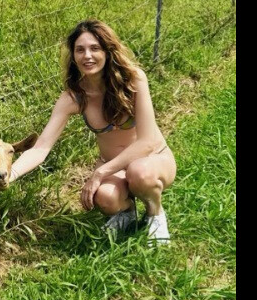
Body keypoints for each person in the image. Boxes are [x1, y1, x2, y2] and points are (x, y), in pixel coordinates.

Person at [9, 19, 176, 245]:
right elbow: (41, 148)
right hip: (113, 167)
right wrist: (12, 174)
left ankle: (155, 214)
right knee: (105, 199)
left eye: (94, 48)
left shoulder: (134, 80)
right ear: (73, 56)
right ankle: (126, 212)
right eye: (80, 50)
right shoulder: (74, 97)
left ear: (107, 51)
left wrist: (99, 173)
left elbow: (146, 142)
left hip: (152, 159)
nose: (87, 56)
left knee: (140, 173)